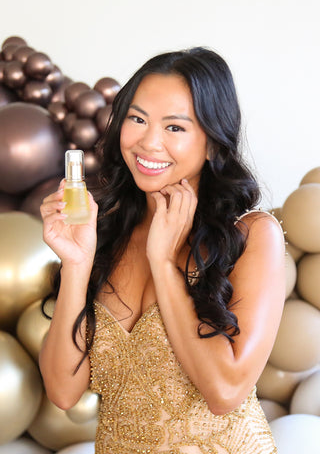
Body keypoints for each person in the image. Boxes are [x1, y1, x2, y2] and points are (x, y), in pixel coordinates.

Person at [40, 47, 285, 454]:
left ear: (212, 142)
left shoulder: (253, 235)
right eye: (137, 119)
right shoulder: (104, 232)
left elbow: (225, 392)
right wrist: (76, 265)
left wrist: (163, 262)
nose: (148, 142)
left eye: (175, 127)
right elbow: (63, 392)